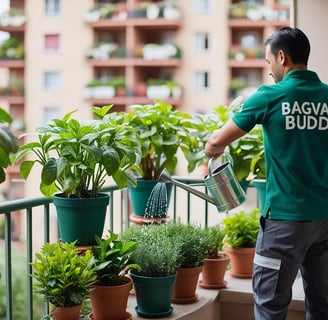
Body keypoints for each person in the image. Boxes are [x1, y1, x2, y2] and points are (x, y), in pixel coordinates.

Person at [205, 27, 328, 320]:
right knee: (322, 306)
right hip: (324, 221)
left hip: (284, 223)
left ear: (282, 57)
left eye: (268, 61)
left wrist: (213, 155)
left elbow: (215, 141)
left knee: (270, 306)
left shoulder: (269, 96)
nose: (269, 70)